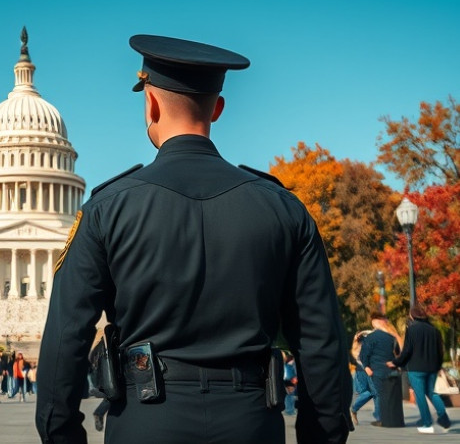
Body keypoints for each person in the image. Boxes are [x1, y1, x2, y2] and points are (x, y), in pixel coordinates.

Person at [35, 34, 352, 444]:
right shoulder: (284, 209)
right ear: (217, 109)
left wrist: (61, 435)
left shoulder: (106, 209)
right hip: (252, 422)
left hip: (144, 422)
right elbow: (320, 343)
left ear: (150, 103)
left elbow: (66, 339)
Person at [388, 306, 452, 433]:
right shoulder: (434, 330)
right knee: (431, 392)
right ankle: (443, 417)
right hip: (432, 368)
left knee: (420, 395)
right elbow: (440, 351)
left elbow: (407, 350)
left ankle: (427, 423)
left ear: (412, 316)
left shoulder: (412, 330)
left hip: (416, 368)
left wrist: (396, 362)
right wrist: (438, 366)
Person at [359, 313, 403, 428]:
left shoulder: (370, 338)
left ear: (374, 322)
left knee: (379, 394)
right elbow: (398, 352)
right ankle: (391, 418)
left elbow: (364, 354)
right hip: (390, 369)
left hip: (376, 369)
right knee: (390, 394)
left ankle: (380, 419)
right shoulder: (391, 337)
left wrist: (366, 367)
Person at [349, 331, 377, 425]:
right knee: (370, 392)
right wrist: (363, 333)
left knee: (372, 392)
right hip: (361, 370)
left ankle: (354, 410)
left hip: (369, 369)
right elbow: (357, 337)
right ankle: (354, 409)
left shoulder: (368, 343)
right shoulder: (357, 345)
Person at [282, 352, 298, 416]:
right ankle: (289, 410)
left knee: (289, 395)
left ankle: (290, 410)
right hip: (289, 380)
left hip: (288, 380)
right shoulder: (289, 365)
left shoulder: (288, 365)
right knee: (289, 395)